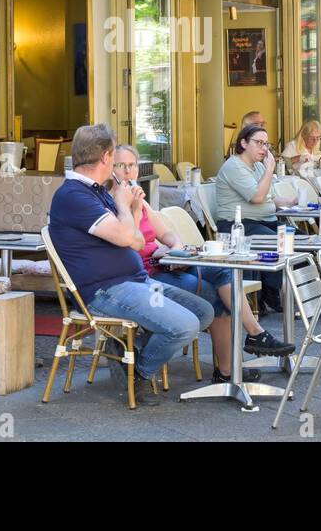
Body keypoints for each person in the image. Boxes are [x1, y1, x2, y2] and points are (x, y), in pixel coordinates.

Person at [47, 124, 215, 405]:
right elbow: (128, 236)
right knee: (185, 325)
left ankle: (131, 351)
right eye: (113, 157)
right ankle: (138, 371)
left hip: (137, 282)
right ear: (105, 157)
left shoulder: (95, 191)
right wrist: (124, 206)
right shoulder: (74, 195)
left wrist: (133, 210)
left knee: (203, 311)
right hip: (107, 291)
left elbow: (136, 242)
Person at [111, 145, 293, 383]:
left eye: (132, 165)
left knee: (222, 271)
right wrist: (133, 209)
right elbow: (130, 243)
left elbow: (168, 234)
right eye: (121, 166)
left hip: (166, 262)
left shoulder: (141, 201)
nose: (128, 171)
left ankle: (249, 342)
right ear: (110, 169)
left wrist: (175, 248)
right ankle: (233, 364)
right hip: (146, 274)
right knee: (217, 296)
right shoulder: (116, 202)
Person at [214, 124, 285, 313]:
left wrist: (298, 201)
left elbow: (272, 198)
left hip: (264, 220)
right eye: (259, 143)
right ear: (243, 143)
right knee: (279, 243)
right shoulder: (234, 166)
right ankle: (270, 295)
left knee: (301, 240)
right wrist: (270, 169)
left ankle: (301, 298)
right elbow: (257, 197)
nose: (264, 148)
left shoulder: (258, 167)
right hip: (237, 225)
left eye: (266, 144)